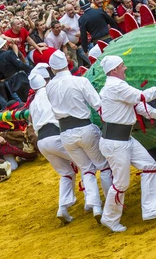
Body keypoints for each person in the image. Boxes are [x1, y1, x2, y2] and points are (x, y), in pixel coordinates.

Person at [98, 55, 156, 232]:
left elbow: (137, 105)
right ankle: (109, 219)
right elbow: (143, 96)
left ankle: (151, 209)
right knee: (121, 183)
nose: (125, 68)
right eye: (122, 66)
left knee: (149, 166)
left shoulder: (117, 86)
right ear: (114, 69)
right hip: (116, 143)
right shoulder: (115, 86)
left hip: (124, 139)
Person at [46, 50, 112, 223]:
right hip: (84, 128)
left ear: (53, 69)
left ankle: (96, 206)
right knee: (103, 166)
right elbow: (97, 104)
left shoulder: (49, 87)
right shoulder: (80, 81)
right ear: (68, 63)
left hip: (65, 133)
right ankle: (110, 204)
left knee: (87, 169)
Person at [28, 73, 77, 224]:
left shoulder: (33, 103)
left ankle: (63, 207)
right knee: (88, 164)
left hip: (42, 142)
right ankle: (94, 205)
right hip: (57, 136)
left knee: (66, 173)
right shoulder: (51, 92)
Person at [0, 37, 31, 102]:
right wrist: (31, 69)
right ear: (4, 46)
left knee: (25, 101)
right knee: (31, 97)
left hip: (11, 83)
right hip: (21, 78)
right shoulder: (9, 53)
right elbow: (20, 64)